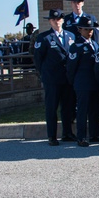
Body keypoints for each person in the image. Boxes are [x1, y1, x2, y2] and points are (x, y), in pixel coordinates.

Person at [33, 10, 76, 144]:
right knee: (52, 107)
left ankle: (67, 133)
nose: (56, 21)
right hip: (52, 79)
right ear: (50, 21)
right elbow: (38, 59)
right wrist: (45, 74)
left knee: (67, 107)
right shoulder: (44, 37)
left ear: (62, 20)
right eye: (53, 19)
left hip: (67, 79)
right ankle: (52, 136)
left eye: (58, 19)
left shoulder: (71, 36)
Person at [65, 16, 99, 147]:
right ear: (80, 30)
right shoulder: (76, 46)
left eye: (91, 29)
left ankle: (94, 134)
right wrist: (74, 82)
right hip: (82, 83)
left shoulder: (96, 44)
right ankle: (81, 136)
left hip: (95, 83)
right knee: (82, 111)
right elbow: (71, 68)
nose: (89, 32)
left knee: (95, 110)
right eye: (86, 29)